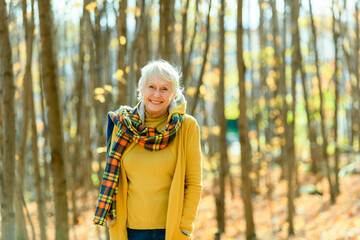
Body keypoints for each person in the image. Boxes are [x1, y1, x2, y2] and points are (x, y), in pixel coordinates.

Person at [93, 60, 203, 240]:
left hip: (171, 231)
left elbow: (194, 183)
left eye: (164, 89)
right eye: (151, 87)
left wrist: (184, 226)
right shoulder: (123, 126)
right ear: (141, 90)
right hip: (129, 232)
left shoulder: (187, 127)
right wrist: (113, 223)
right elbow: (112, 180)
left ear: (173, 93)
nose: (157, 95)